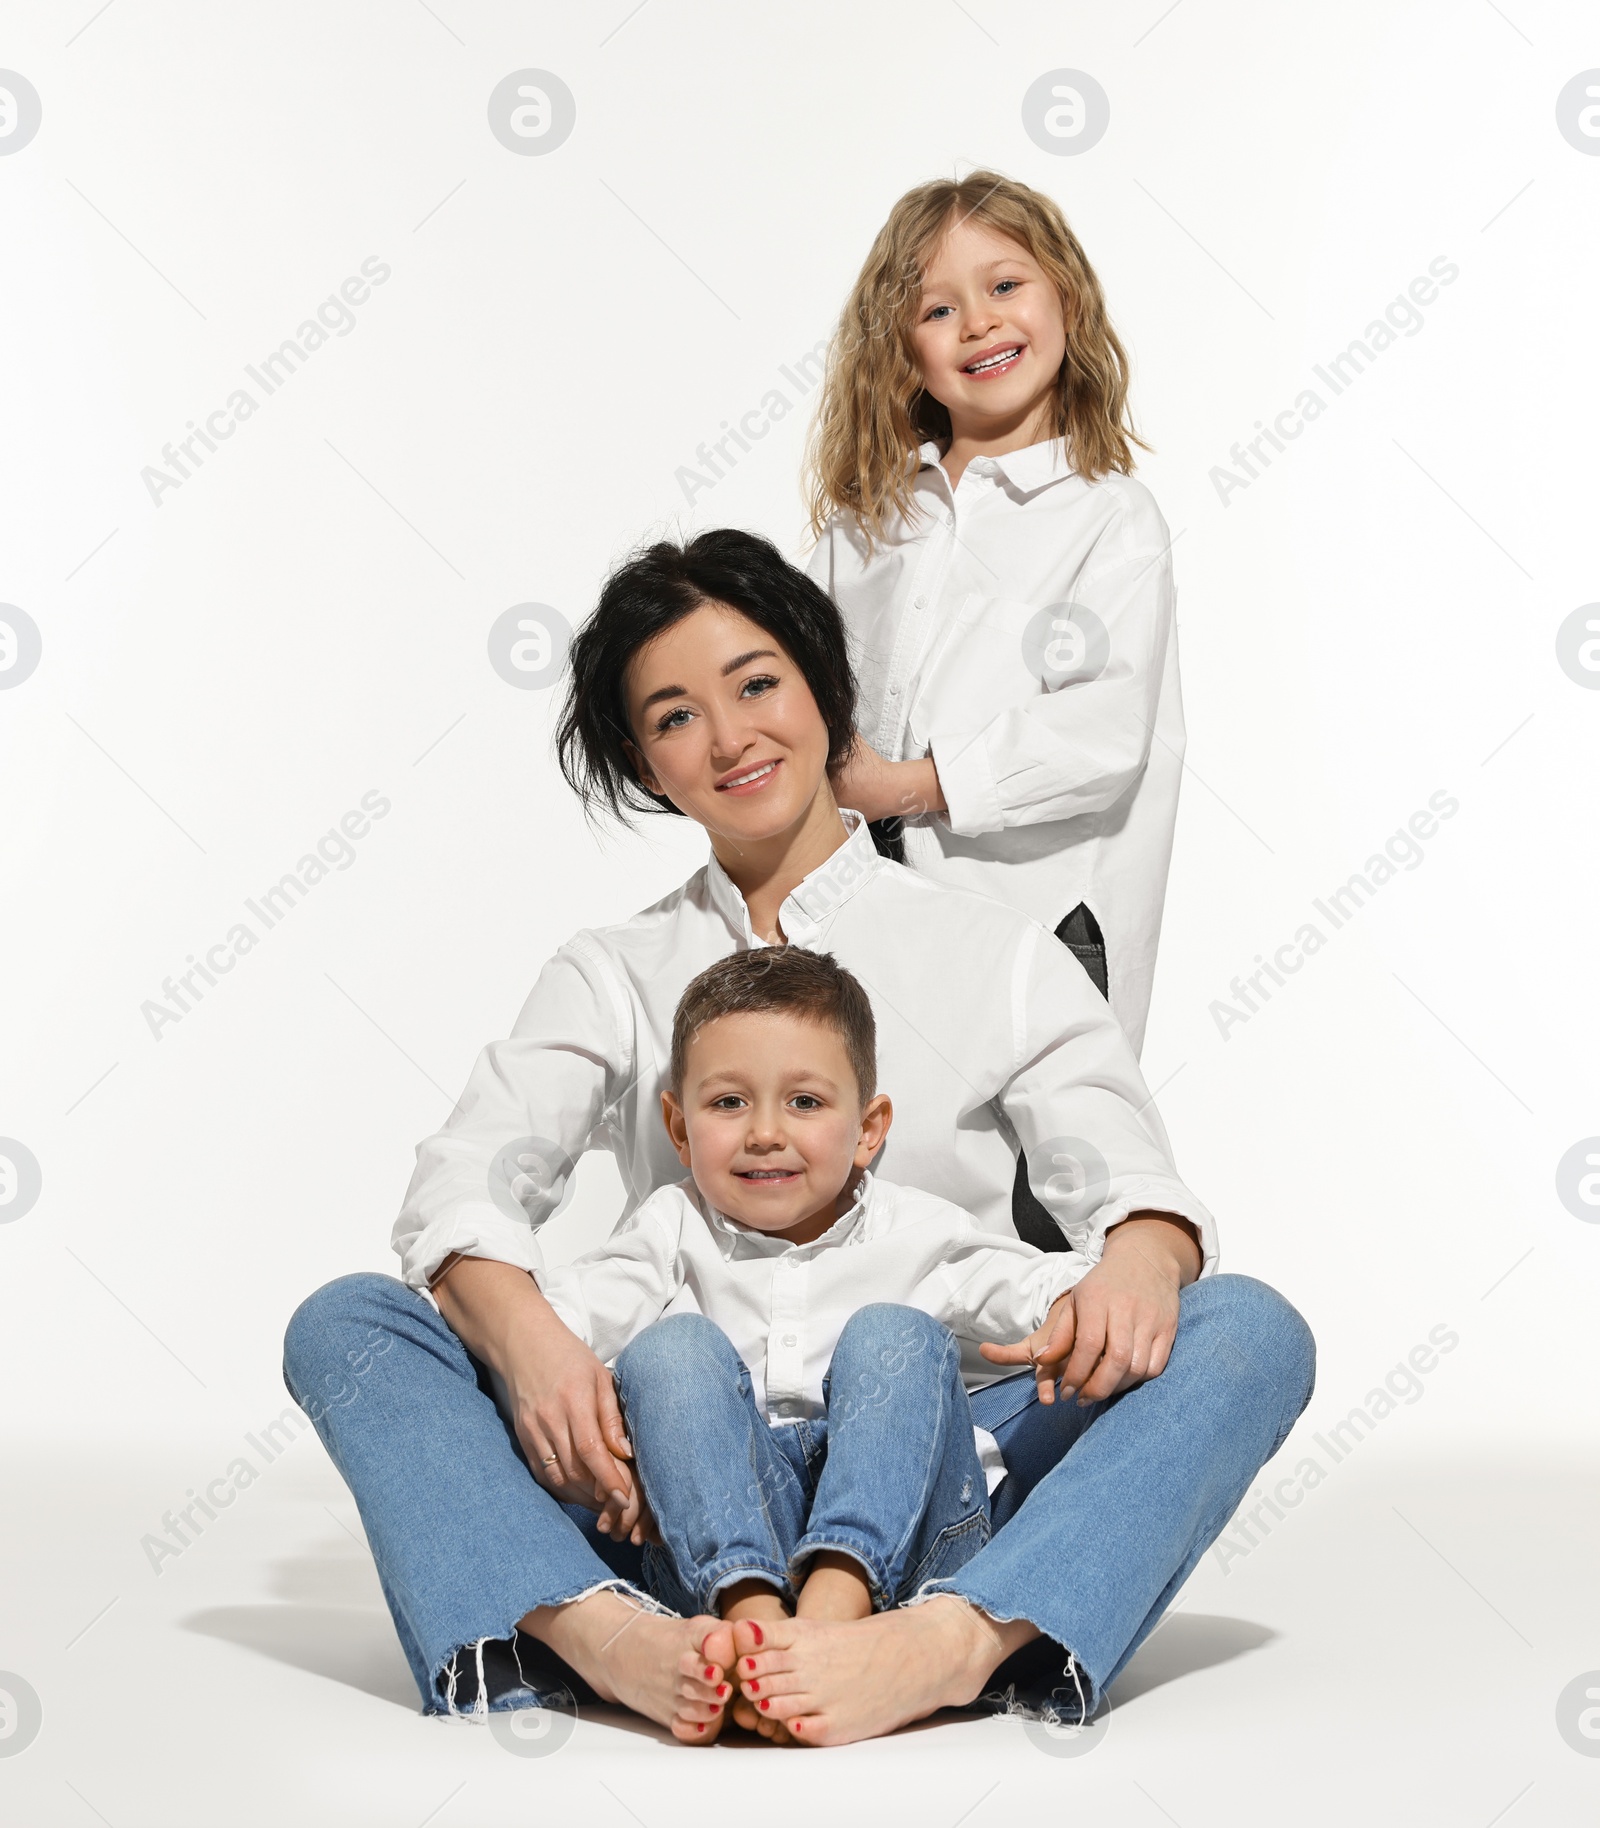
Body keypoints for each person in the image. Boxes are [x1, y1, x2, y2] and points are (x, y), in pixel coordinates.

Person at [282, 527, 1313, 1745]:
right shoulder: (615, 968)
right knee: (349, 1325)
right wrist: (537, 1350)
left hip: (939, 1466)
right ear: (642, 761)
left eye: (758, 683)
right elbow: (466, 1180)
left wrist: (1142, 1257)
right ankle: (607, 1635)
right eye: (673, 715)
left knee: (1249, 1331)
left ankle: (943, 1642)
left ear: (827, 691)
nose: (728, 738)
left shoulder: (994, 952)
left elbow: (1128, 1183)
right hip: (665, 1476)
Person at [543, 945, 1092, 1743]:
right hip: (716, 1542)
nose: (766, 1134)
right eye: (729, 1103)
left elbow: (1046, 1290)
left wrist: (1091, 1298)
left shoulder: (921, 1230)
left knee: (892, 1335)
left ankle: (835, 1612)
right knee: (669, 1353)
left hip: (917, 1542)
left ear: (869, 1130)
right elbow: (556, 1325)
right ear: (678, 1125)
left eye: (804, 1102)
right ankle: (751, 1618)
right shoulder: (667, 1230)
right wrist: (621, 1444)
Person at [806, 171, 1182, 1073]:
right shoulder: (867, 527)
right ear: (901, 350)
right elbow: (805, 690)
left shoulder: (1110, 518)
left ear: (1068, 296)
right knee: (885, 1177)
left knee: (1037, 1188)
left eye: (1005, 285)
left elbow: (1099, 734)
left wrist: (899, 786)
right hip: (868, 924)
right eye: (937, 310)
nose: (978, 322)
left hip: (1037, 926)